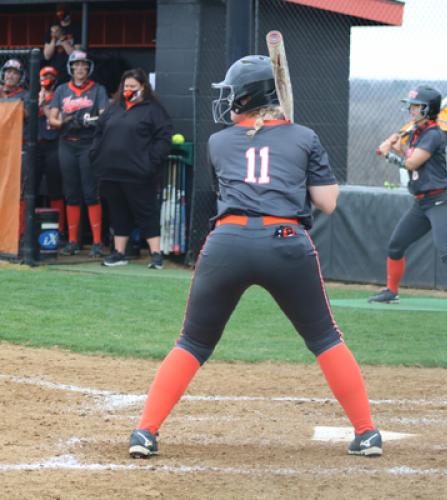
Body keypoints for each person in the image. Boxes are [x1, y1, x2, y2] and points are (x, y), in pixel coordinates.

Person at [128, 55, 382, 459]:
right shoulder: (304, 137)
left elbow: (229, 187)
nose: (227, 100)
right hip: (287, 242)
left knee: (192, 342)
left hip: (227, 242)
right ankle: (367, 433)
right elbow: (328, 203)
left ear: (249, 96)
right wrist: (300, 167)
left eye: (232, 93)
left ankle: (145, 432)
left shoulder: (218, 141)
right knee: (325, 338)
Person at [370, 86, 447, 311]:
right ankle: (392, 292)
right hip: (421, 202)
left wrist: (388, 154)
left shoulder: (433, 134)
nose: (411, 110)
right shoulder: (416, 133)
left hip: (440, 200)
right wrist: (396, 147)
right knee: (396, 245)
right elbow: (410, 155)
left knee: (446, 248)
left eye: (416, 106)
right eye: (411, 106)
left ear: (427, 109)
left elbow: (412, 163)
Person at [89, 68, 173, 270]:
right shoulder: (114, 107)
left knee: (146, 212)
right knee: (118, 213)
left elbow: (164, 138)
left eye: (133, 86)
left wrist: (149, 162)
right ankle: (119, 253)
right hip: (111, 172)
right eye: (126, 86)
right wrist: (96, 154)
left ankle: (155, 255)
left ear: (143, 87)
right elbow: (99, 131)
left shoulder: (154, 109)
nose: (128, 89)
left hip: (139, 173)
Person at [48, 50, 108, 256]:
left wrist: (86, 120)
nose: (80, 68)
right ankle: (73, 241)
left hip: (88, 144)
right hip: (67, 143)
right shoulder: (62, 90)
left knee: (91, 193)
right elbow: (52, 120)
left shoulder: (97, 90)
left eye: (83, 65)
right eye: (76, 65)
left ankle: (97, 242)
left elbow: (103, 117)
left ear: (88, 67)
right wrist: (65, 120)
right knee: (71, 193)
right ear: (71, 68)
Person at [0, 59, 30, 239]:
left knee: (18, 192)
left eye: (14, 73)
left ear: (20, 77)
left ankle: (17, 236)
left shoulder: (25, 95)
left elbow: (26, 115)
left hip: (18, 148)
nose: (10, 76)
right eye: (7, 72)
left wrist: (7, 99)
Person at [37, 66, 66, 237]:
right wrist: (39, 100)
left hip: (54, 143)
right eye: (44, 76)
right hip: (35, 144)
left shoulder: (60, 95)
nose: (47, 79)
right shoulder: (31, 94)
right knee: (30, 190)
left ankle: (59, 230)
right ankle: (25, 230)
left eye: (50, 76)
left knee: (56, 189)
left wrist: (46, 105)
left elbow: (59, 120)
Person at [43, 4, 81, 84]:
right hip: (55, 70)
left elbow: (75, 55)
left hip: (71, 70)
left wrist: (62, 38)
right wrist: (54, 38)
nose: (61, 15)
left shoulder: (77, 28)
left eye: (64, 11)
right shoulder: (52, 28)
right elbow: (47, 56)